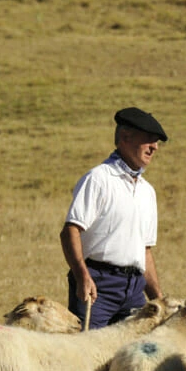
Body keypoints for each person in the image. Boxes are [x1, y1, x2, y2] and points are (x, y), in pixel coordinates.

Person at [61, 107, 166, 330]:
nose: (154, 147)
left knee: (133, 357)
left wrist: (158, 299)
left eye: (156, 142)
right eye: (148, 140)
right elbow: (70, 230)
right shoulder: (99, 179)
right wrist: (82, 277)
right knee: (88, 356)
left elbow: (145, 251)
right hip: (98, 285)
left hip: (134, 290)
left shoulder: (148, 192)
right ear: (126, 138)